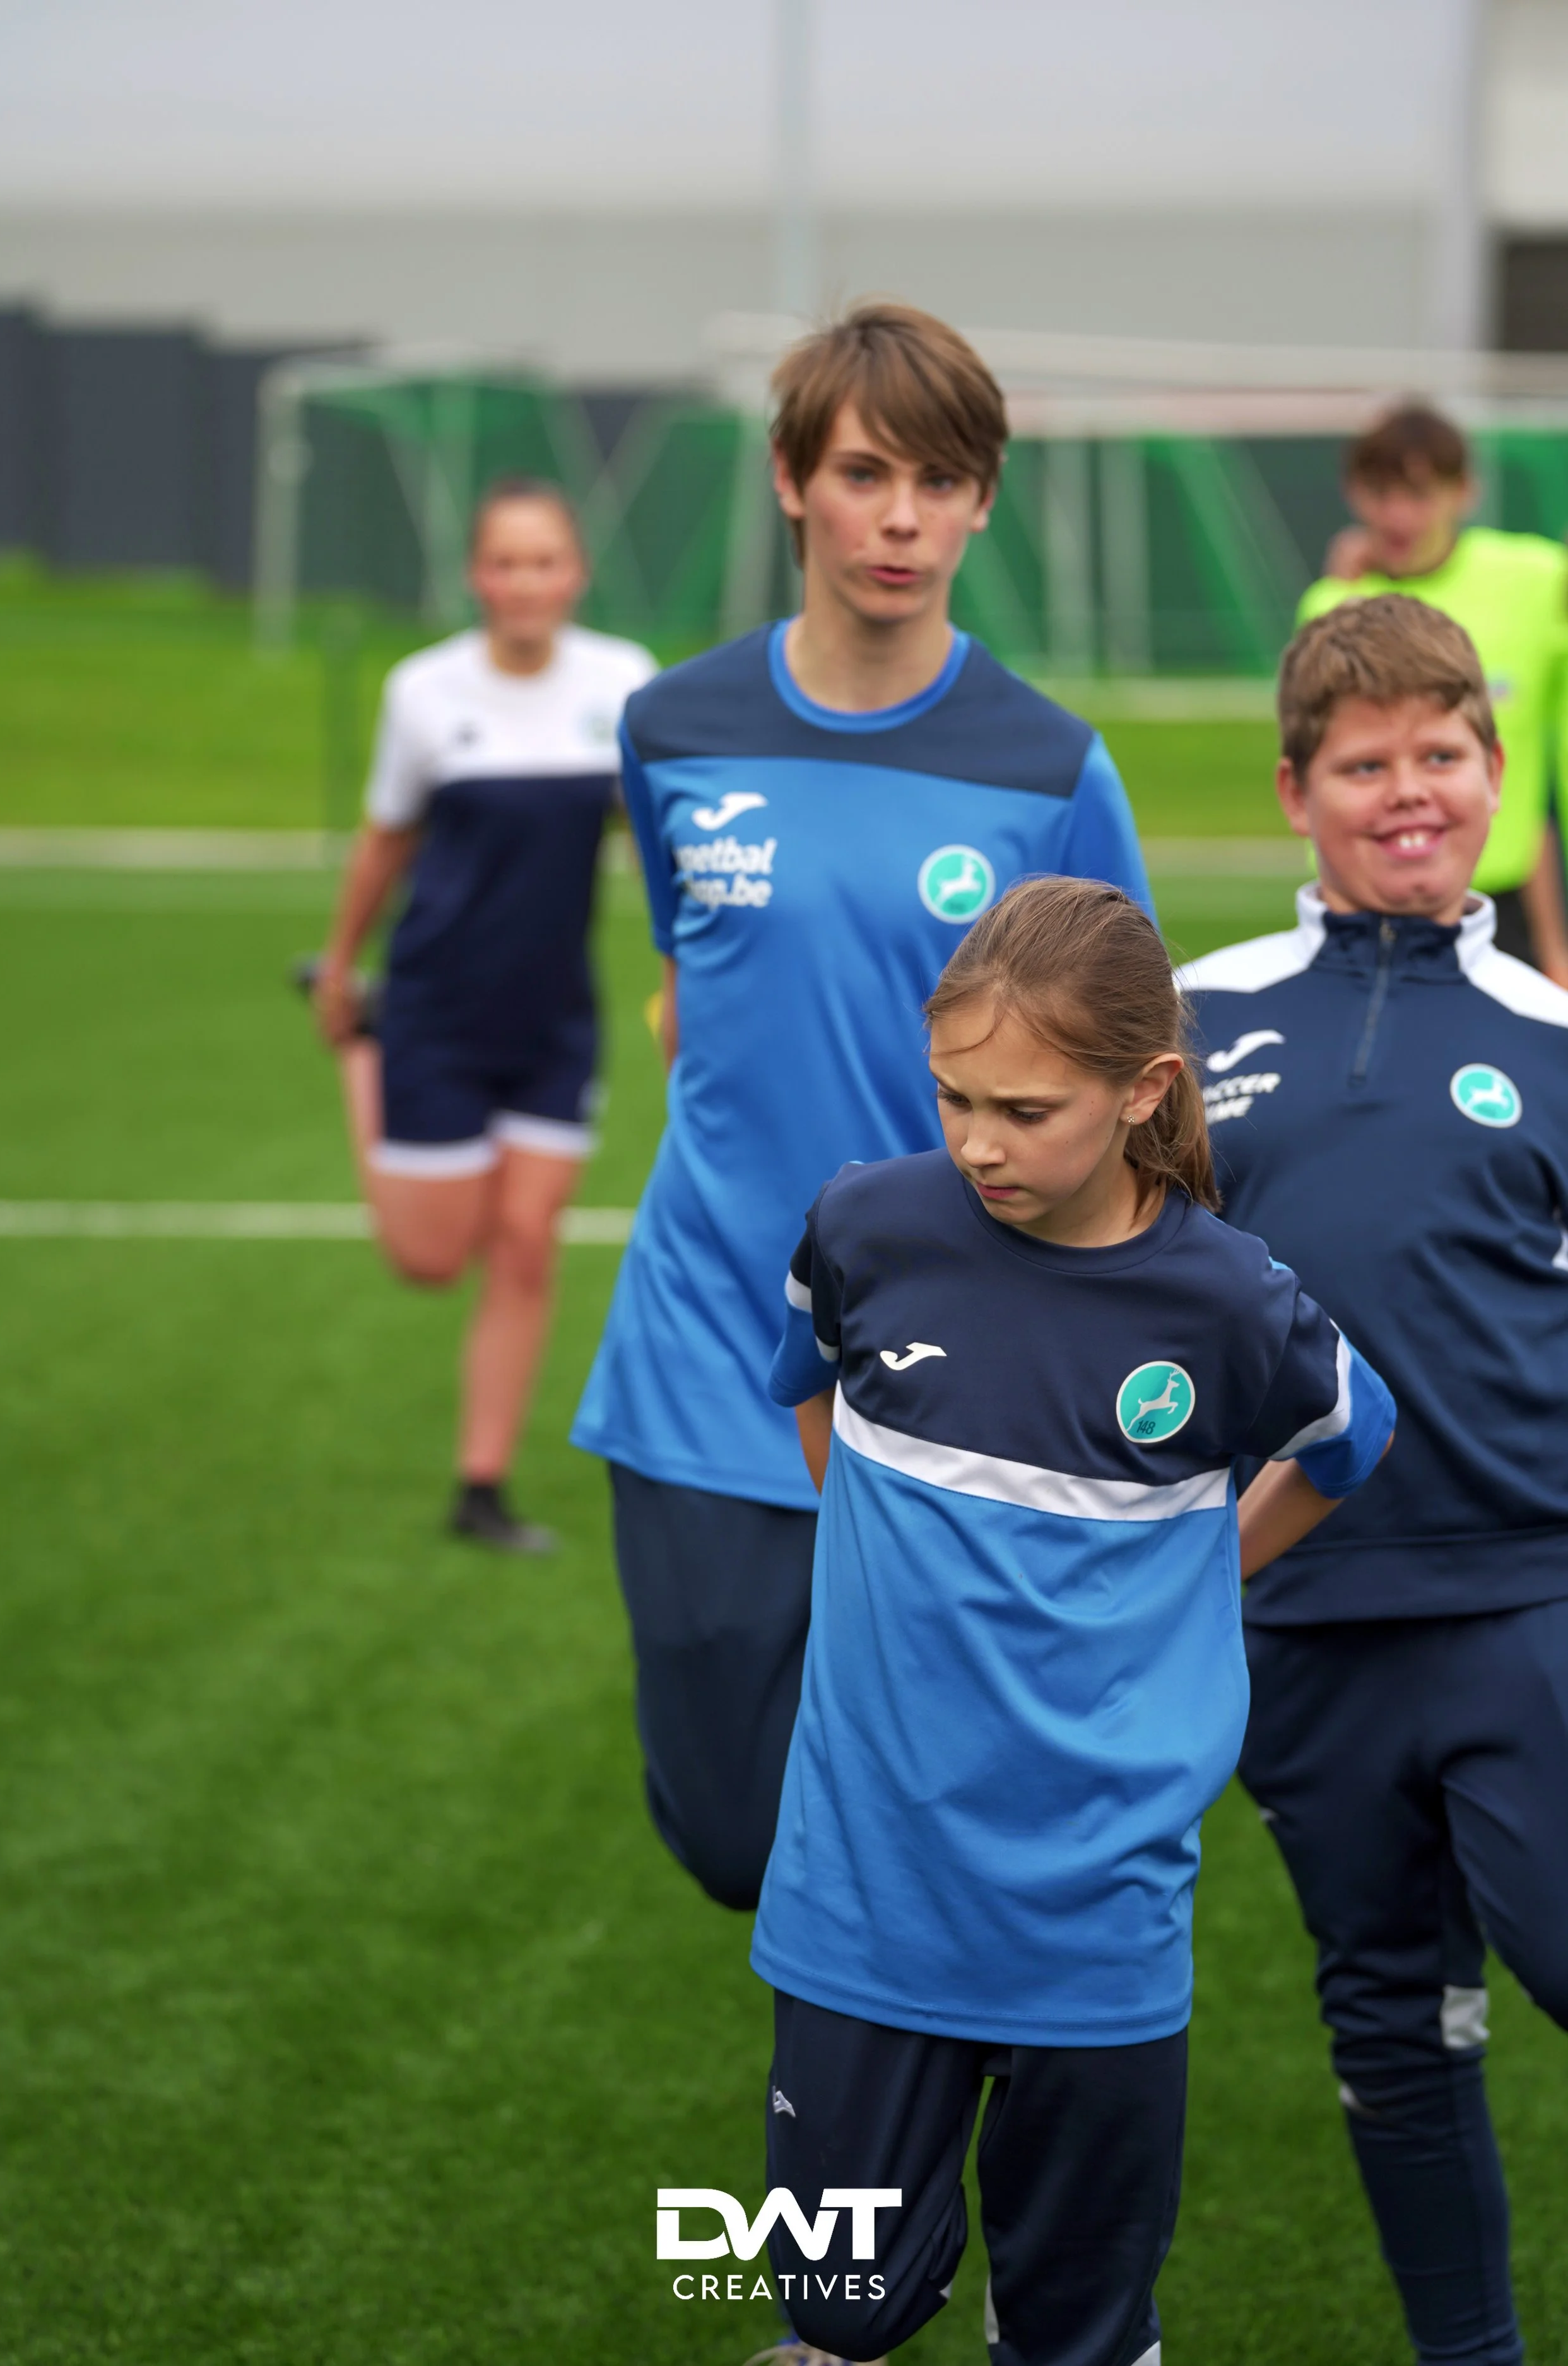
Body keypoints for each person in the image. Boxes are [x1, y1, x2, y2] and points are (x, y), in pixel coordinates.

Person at [755, 878, 1394, 2366]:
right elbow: (809, 1374)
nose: (978, 1140)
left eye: (1025, 1108)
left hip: (1093, 1907)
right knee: (830, 2298)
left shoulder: (1230, 1301)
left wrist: (1211, 1570)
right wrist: (871, 1556)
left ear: (1141, 1090)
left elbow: (1353, 1440)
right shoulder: (866, 1223)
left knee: (1074, 2327)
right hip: (866, 1876)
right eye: (953, 1097)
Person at [570, 303, 1153, 1912]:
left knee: (936, 1829)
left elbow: (1132, 1079)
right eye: (865, 473)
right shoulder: (671, 730)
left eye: (941, 480)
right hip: (704, 1357)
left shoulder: (1049, 770)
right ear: (790, 481)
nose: (901, 517)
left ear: (983, 501)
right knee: (731, 1836)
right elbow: (697, 983)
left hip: (957, 1373)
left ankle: (880, 2148)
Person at [1178, 594, 1568, 2366]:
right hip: (1292, 1609)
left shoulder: (1548, 1030)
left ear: (1493, 773)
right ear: (1293, 790)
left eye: (1440, 753)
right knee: (1392, 2024)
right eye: (1363, 762)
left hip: (1516, 1596)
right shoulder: (1188, 1020)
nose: (1406, 790)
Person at [304, 478, 654, 1550]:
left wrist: (702, 957)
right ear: (477, 576)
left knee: (527, 1245)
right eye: (505, 562)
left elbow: (660, 840)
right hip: (433, 1012)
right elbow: (386, 840)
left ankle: (481, 1486)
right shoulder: (423, 692)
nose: (526, 582)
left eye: (545, 560)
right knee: (430, 1260)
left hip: (554, 1020)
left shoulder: (624, 683)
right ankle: (361, 1055)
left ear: (576, 573)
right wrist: (339, 965)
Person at [1302, 401, 1568, 981]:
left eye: (1418, 494)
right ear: (1354, 494)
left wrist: (1555, 944)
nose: (1398, 515)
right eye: (1381, 493)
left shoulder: (1533, 578)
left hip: (1506, 902)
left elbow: (1536, 795)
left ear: (1463, 492)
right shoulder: (1332, 609)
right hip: (1369, 903)